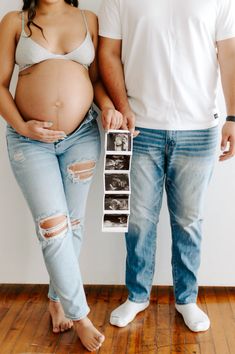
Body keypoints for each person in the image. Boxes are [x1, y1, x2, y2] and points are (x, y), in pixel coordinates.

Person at [98, 0, 235, 332]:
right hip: (138, 128)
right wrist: (122, 105)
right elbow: (108, 54)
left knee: (189, 221)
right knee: (138, 221)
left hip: (199, 129)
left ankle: (187, 299)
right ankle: (137, 295)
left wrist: (233, 115)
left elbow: (230, 54)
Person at [0, 0, 123, 351]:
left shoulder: (90, 19)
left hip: (82, 136)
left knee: (73, 224)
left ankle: (57, 299)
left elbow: (97, 80)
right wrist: (22, 124)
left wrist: (110, 107)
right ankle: (80, 315)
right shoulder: (15, 21)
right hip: (29, 141)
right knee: (53, 227)